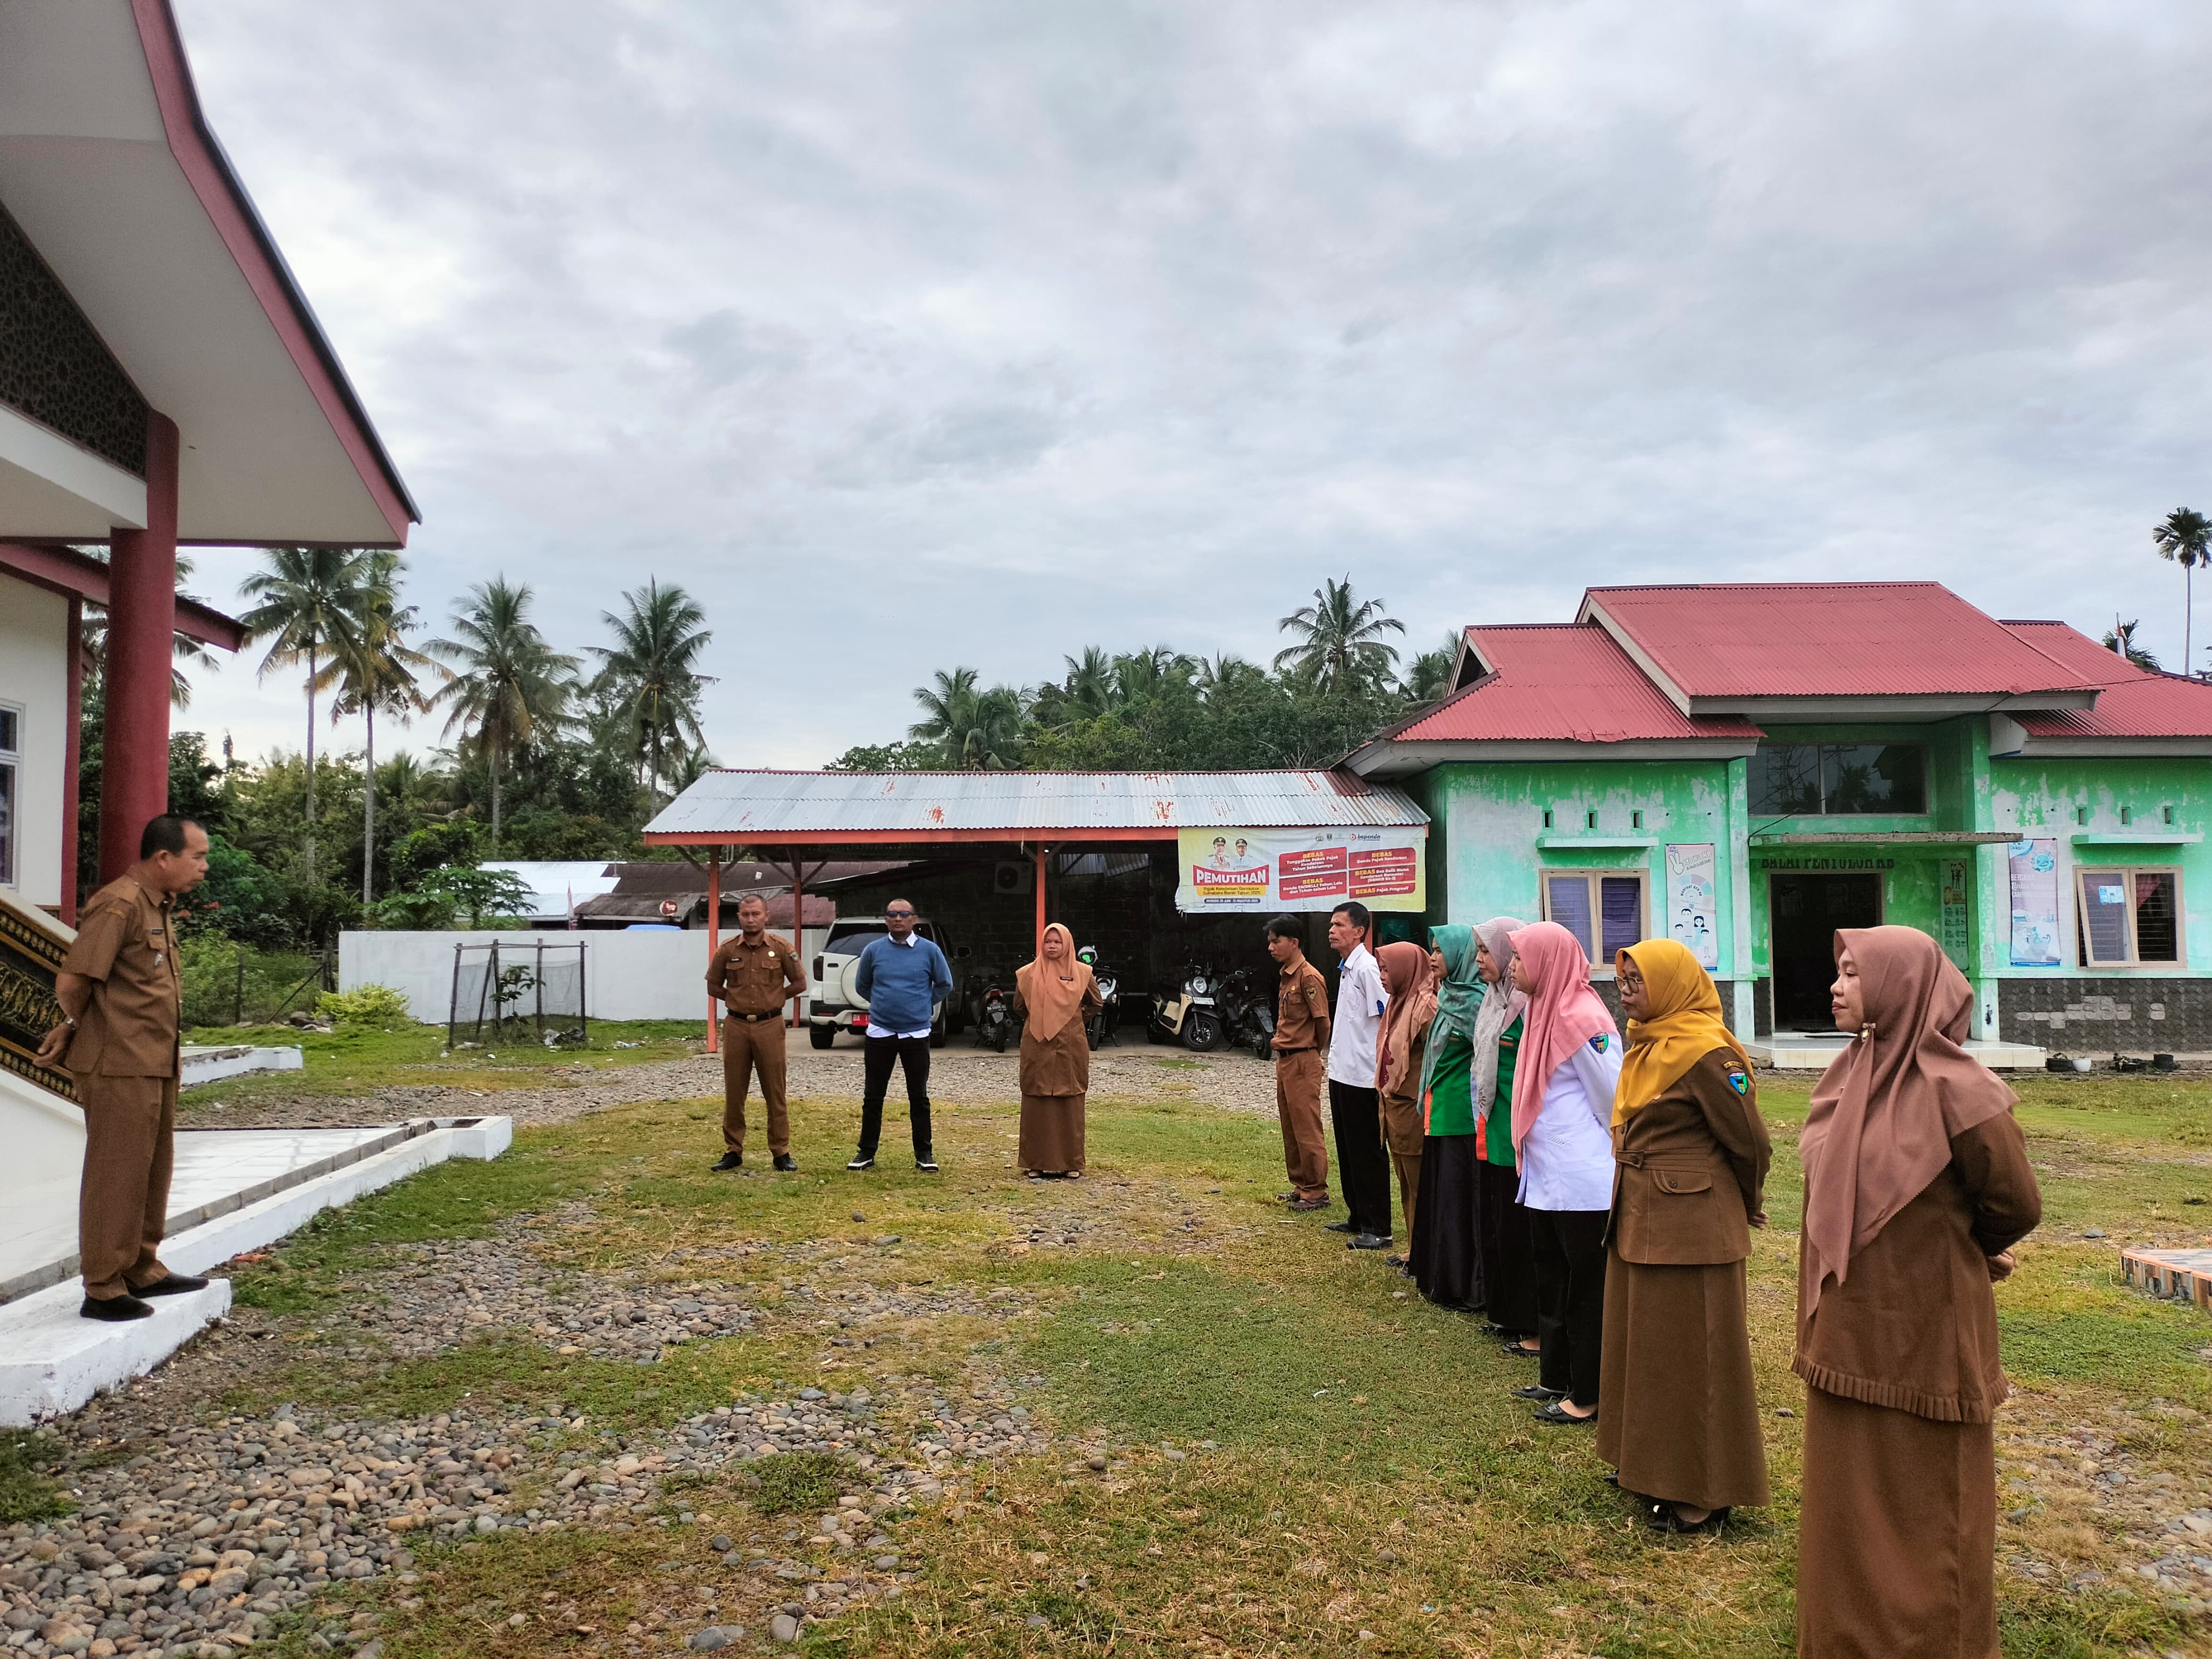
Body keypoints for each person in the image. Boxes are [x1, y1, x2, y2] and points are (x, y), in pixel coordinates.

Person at [1795, 926, 2041, 1659]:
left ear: (1898, 984)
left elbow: (2014, 1204)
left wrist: (1956, 1251)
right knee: (1851, 1504)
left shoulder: (1959, 1089)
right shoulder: (1847, 1075)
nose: (1836, 988)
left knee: (1931, 1503)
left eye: (1851, 974)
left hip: (1928, 1333)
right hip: (1849, 1332)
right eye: (1838, 974)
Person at [1598, 938, 1772, 1534]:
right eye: (1621, 981)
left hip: (1691, 1224)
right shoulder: (1647, 1043)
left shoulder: (1704, 1053)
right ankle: (1647, 1466)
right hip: (1641, 1215)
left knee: (1696, 1356)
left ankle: (1702, 1493)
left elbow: (1749, 1141)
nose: (1625, 991)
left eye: (1636, 981)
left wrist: (1744, 1202)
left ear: (1672, 984)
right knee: (1647, 1349)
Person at [33, 816, 214, 1321]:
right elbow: (74, 979)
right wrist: (71, 1024)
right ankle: (103, 1286)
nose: (203, 867)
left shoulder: (157, 905)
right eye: (196, 857)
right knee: (117, 1172)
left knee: (152, 1168)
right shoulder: (120, 903)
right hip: (118, 1061)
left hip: (153, 1059)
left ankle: (141, 1266)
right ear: (164, 858)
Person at [1505, 920, 1622, 1425]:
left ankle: (1588, 1393)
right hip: (1545, 1175)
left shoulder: (1582, 1017)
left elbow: (1613, 1098)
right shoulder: (1541, 1008)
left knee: (1585, 1290)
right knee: (1550, 1276)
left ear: (1546, 962)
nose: (1512, 967)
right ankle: (1555, 1375)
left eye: (1519, 958)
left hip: (1582, 1180)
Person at [1406, 926, 1485, 1310]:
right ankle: (1433, 1271)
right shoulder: (1449, 996)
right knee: (1439, 1194)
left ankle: (1459, 1283)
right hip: (1439, 1112)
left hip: (1462, 1117)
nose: (1433, 958)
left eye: (1439, 951)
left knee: (1457, 1200)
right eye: (1431, 951)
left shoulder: (1478, 1003)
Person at [1471, 918, 1539, 1353]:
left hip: (1521, 1133)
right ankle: (1506, 1312)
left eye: (1488, 951)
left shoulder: (1528, 1005)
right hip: (1492, 1124)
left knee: (1521, 1229)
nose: (1483, 960)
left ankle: (1528, 1320)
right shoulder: (1493, 1001)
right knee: (1498, 1222)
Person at [705, 891, 805, 1172]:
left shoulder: (782, 947)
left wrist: (774, 998)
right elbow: (713, 986)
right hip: (736, 1026)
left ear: (766, 916)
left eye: (756, 914)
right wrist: (735, 1001)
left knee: (775, 1089)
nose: (750, 920)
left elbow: (799, 983)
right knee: (735, 1091)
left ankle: (781, 1151)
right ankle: (733, 1150)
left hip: (770, 1026)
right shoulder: (727, 949)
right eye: (745, 915)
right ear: (738, 917)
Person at [848, 900, 952, 1172]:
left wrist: (921, 1003)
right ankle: (866, 1152)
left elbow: (945, 984)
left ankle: (924, 1154)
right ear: (886, 920)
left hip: (916, 1033)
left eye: (904, 914)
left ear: (914, 919)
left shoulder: (930, 951)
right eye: (892, 914)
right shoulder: (873, 951)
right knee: (873, 1096)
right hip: (880, 1032)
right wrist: (882, 1004)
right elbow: (862, 985)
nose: (898, 919)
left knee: (918, 1096)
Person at [1323, 901, 1392, 1250]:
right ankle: (1357, 1215)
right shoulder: (1347, 968)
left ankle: (1378, 1226)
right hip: (1343, 1073)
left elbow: (1385, 1020)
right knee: (1349, 1150)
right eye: (1331, 925)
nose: (1332, 931)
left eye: (1339, 925)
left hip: (1364, 1077)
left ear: (1360, 931)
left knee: (1368, 1151)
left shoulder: (1368, 969)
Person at [1013, 923, 1101, 1178]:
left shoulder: (1083, 973)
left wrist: (1073, 1021)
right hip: (1036, 1045)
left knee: (1070, 1100)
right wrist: (1040, 1020)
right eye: (1048, 942)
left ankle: (1071, 1163)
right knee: (1035, 1099)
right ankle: (1035, 1162)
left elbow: (1096, 1003)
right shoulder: (1027, 974)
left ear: (1067, 944)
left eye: (1057, 942)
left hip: (1070, 1045)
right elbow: (1020, 1006)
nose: (1052, 946)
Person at [1372, 939, 1434, 1255]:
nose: (1382, 975)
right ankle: (1414, 1248)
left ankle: (1421, 1253)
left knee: (1419, 1185)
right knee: (1406, 1186)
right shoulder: (1399, 1002)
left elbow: (1436, 1060)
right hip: (1394, 1106)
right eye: (1381, 969)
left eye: (1387, 969)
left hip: (1413, 1108)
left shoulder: (1425, 1007)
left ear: (1406, 971)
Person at [1266, 915, 1331, 1212]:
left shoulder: (1309, 977)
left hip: (1303, 1058)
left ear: (1294, 942)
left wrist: (1313, 1053)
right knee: (1290, 1126)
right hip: (1286, 1060)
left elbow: (1322, 1022)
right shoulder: (1287, 976)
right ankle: (1301, 1185)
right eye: (1270, 941)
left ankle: (1317, 1190)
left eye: (1276, 940)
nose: (1271, 946)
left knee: (1307, 1127)